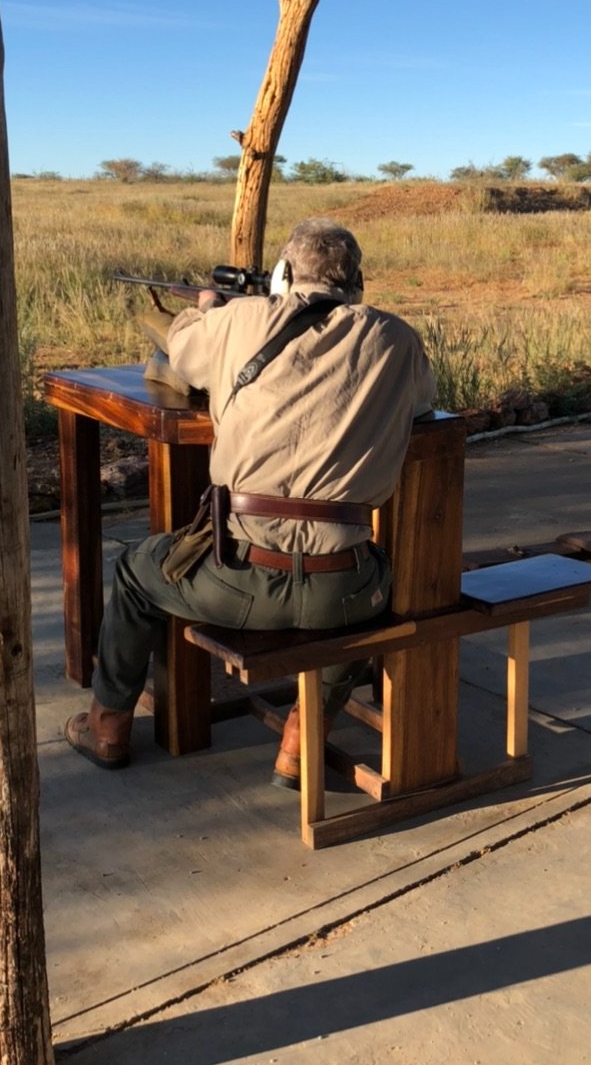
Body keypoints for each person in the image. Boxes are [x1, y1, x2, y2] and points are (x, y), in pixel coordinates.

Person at [64, 216, 436, 782]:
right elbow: (420, 409)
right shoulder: (397, 338)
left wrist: (208, 307)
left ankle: (108, 724)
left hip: (236, 581)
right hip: (343, 589)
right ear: (358, 283)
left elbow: (182, 355)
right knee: (378, 597)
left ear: (284, 274)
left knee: (137, 575)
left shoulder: (242, 319)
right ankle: (300, 739)